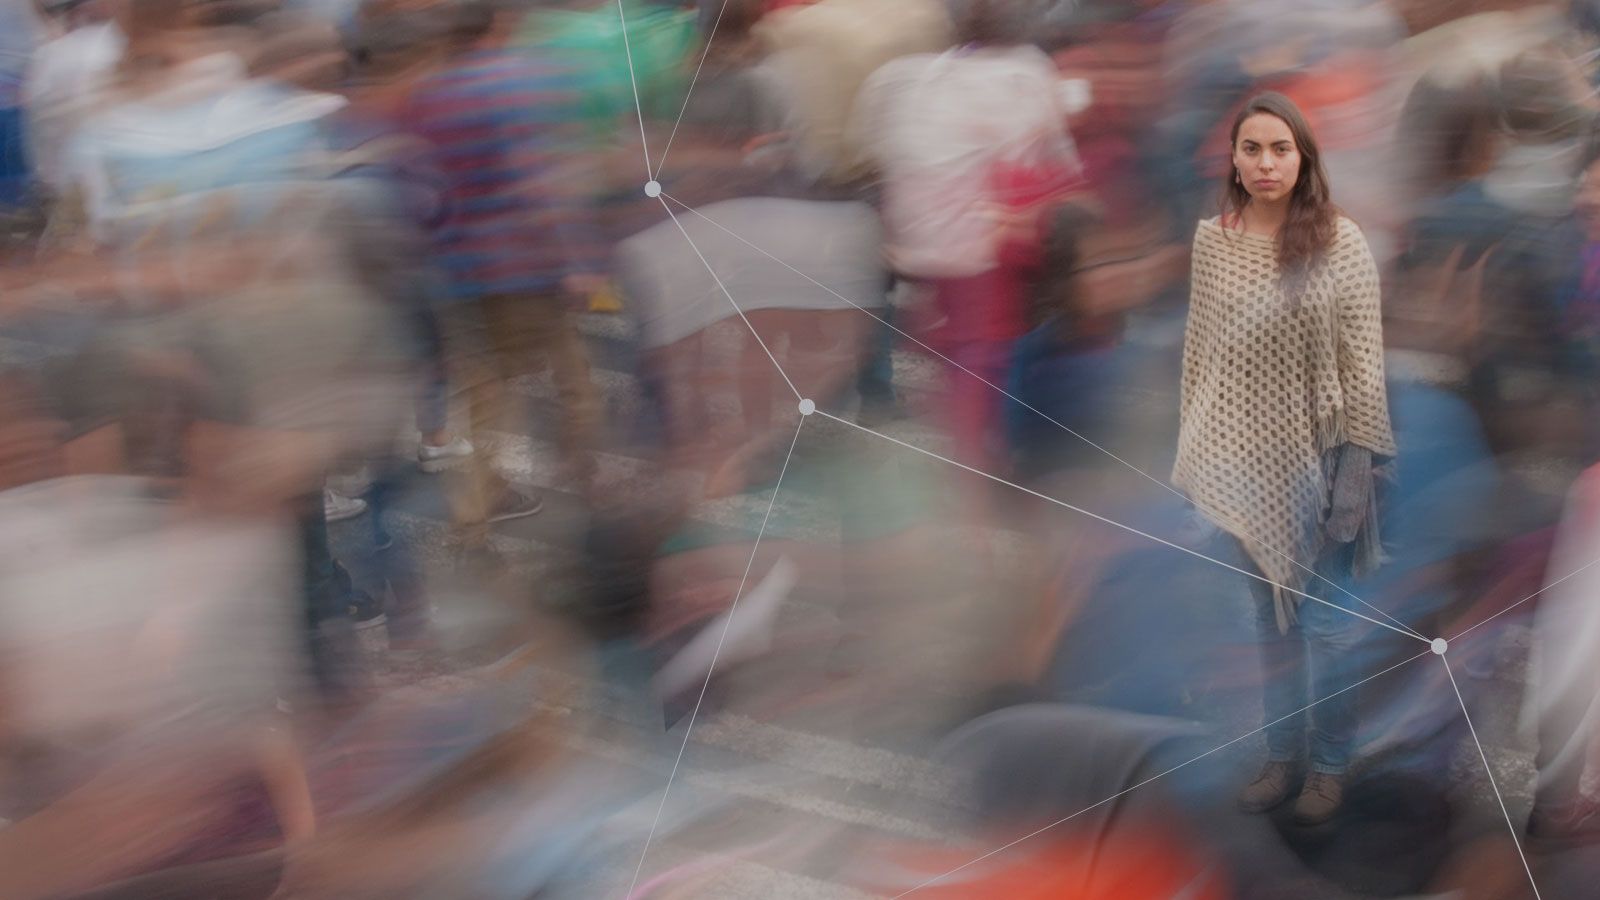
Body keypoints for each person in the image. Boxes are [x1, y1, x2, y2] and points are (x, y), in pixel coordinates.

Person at [1173, 92, 1396, 825]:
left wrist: (1355, 476)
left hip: (1325, 463)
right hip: (1238, 464)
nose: (1266, 163)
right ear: (1233, 161)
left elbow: (1364, 369)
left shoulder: (1341, 241)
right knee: (1264, 622)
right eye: (1252, 149)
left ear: (1304, 160)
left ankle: (1330, 764)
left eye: (1280, 149)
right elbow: (1200, 359)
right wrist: (1194, 460)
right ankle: (1281, 756)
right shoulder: (1215, 241)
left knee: (1324, 629)